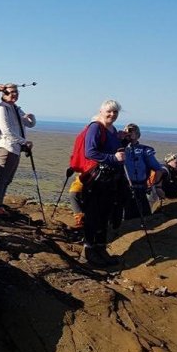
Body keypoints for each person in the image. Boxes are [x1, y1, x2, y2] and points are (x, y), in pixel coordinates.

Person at [78, 100, 124, 268]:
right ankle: (88, 252)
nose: (112, 115)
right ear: (101, 111)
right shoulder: (95, 127)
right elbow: (90, 151)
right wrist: (113, 158)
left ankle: (100, 249)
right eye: (109, 111)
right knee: (93, 215)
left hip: (109, 179)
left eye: (115, 112)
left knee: (104, 215)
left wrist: (122, 141)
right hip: (97, 179)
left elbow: (111, 150)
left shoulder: (112, 130)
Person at [0, 85, 36, 216]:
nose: (14, 94)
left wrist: (32, 117)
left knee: (7, 178)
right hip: (6, 147)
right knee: (2, 177)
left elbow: (29, 124)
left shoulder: (15, 108)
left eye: (16, 92)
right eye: (11, 92)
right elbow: (6, 131)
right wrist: (24, 142)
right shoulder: (2, 108)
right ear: (4, 93)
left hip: (15, 148)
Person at [121, 124, 166, 219]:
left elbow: (158, 169)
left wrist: (156, 185)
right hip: (123, 188)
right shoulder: (119, 150)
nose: (128, 133)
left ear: (137, 134)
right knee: (125, 216)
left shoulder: (145, 151)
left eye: (131, 131)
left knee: (144, 215)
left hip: (140, 188)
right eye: (126, 131)